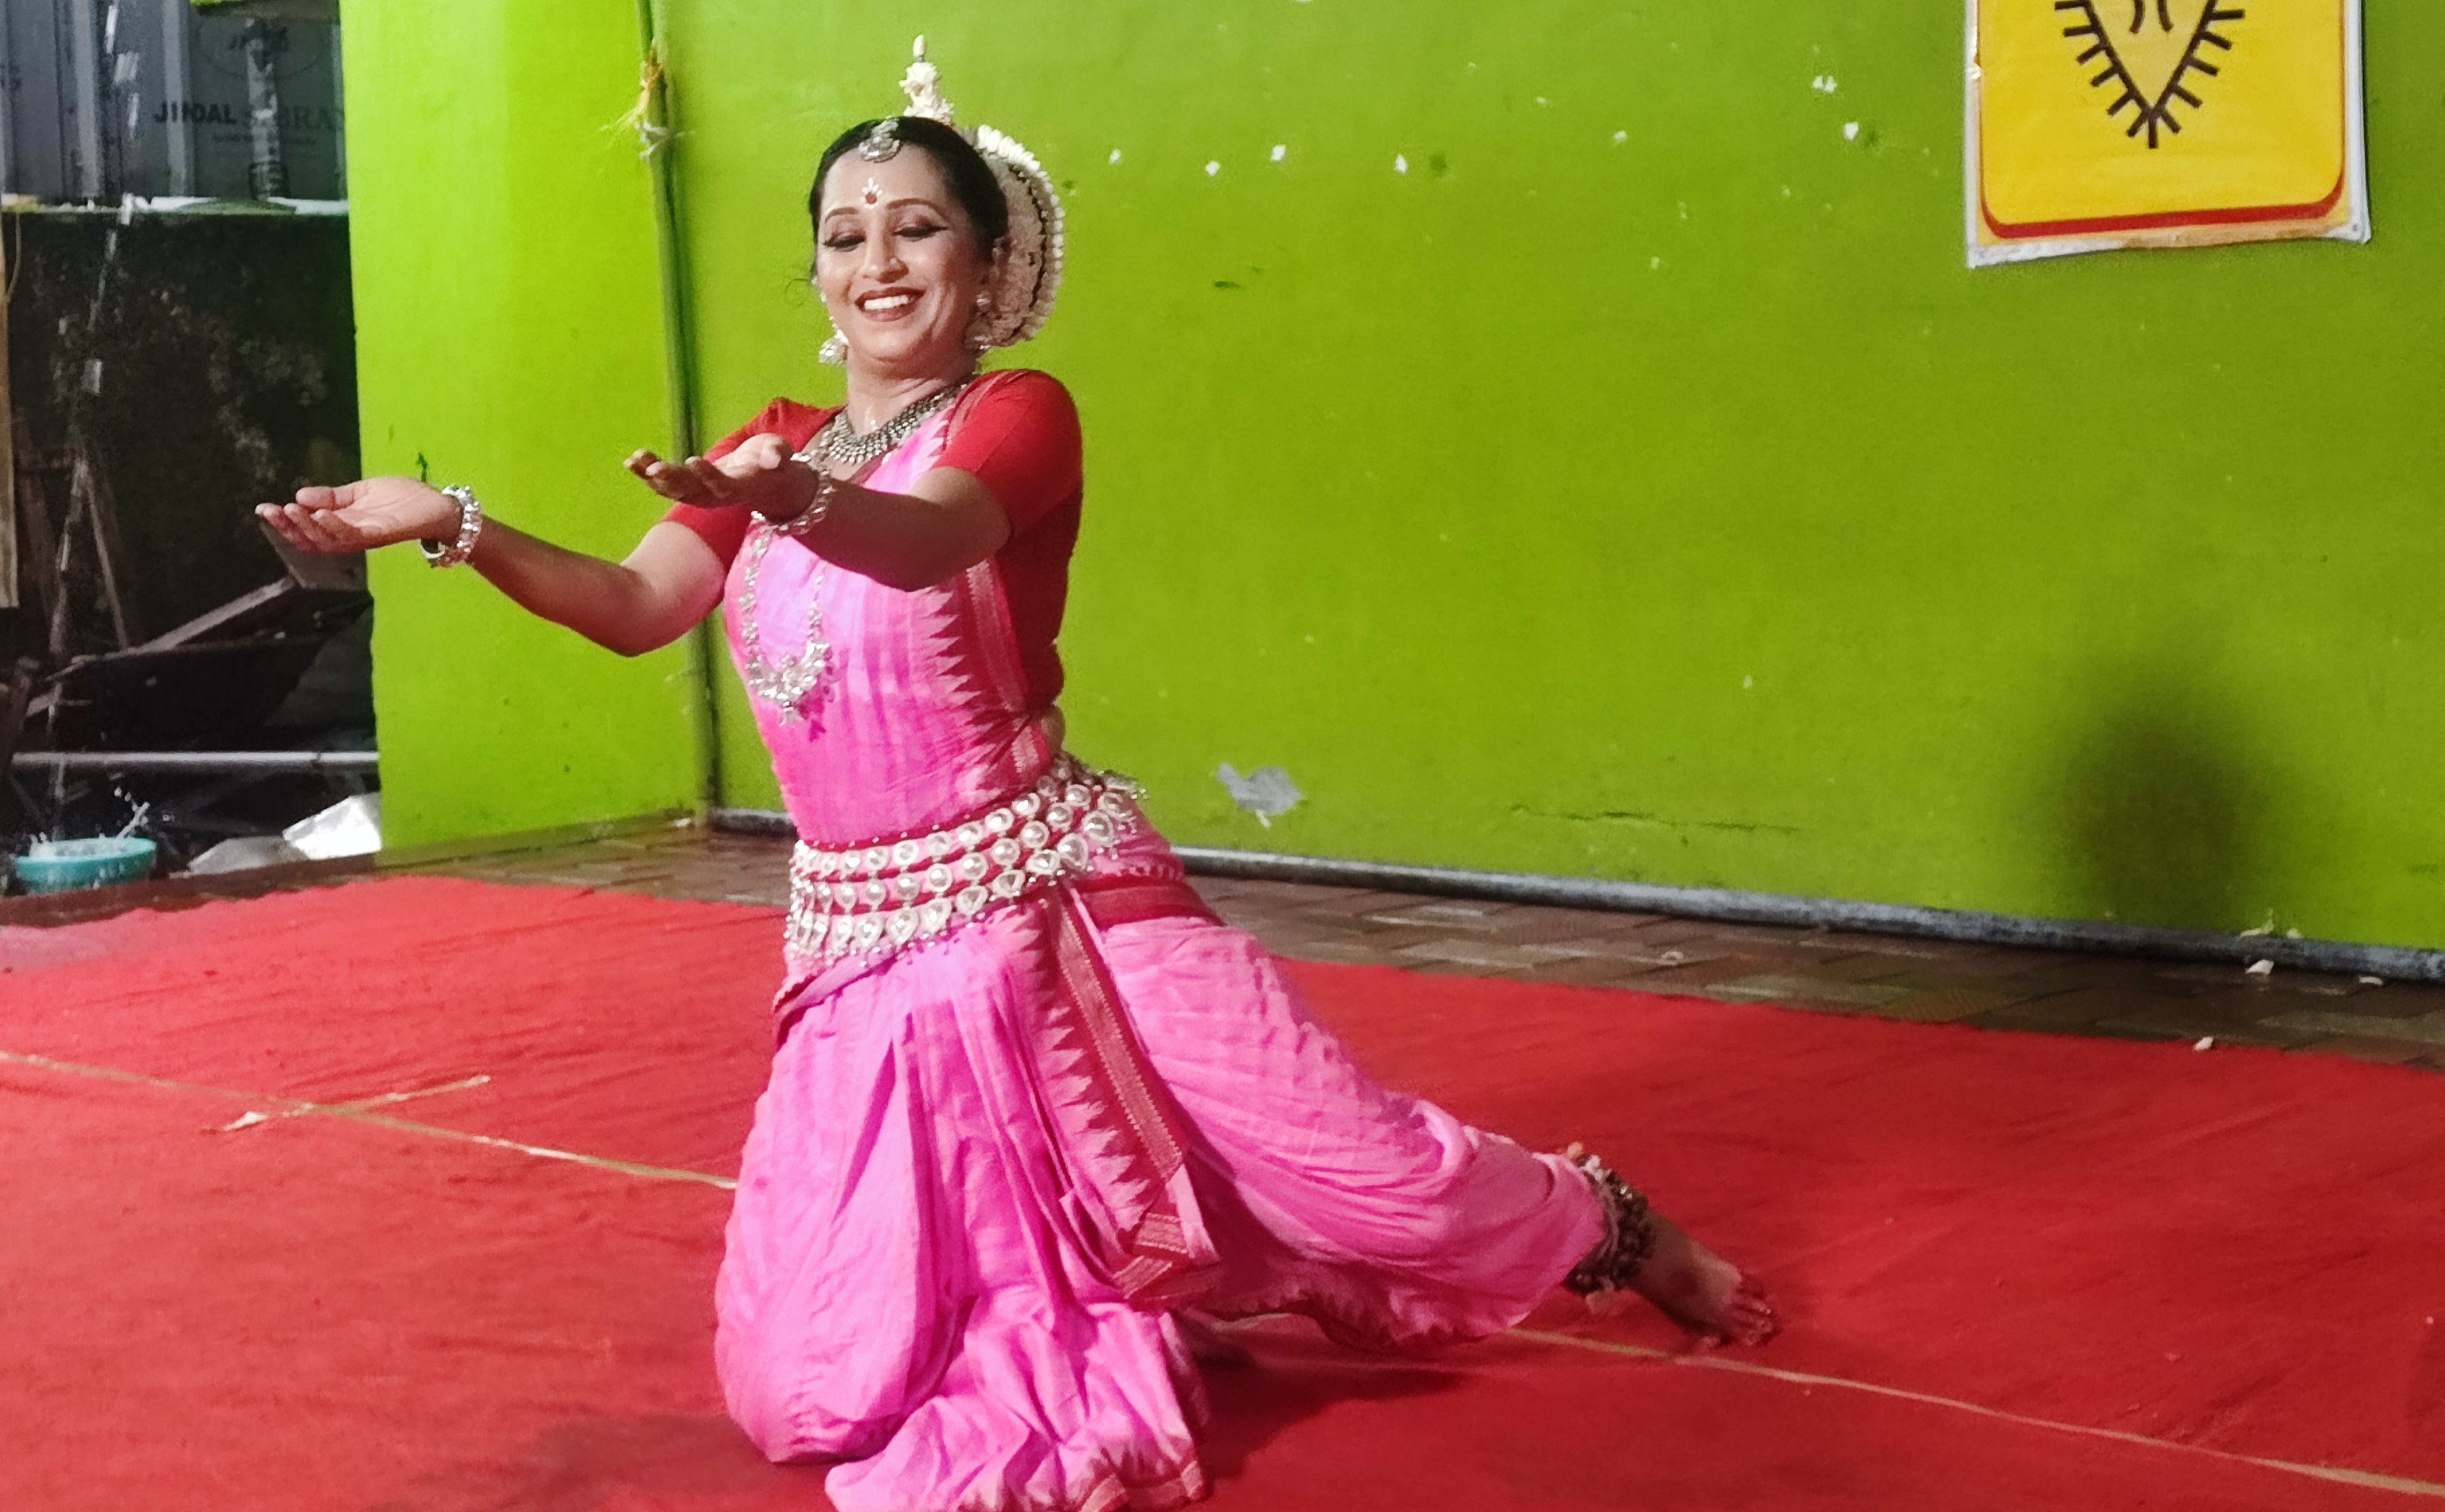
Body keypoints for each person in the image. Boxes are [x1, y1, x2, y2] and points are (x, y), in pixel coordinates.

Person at [261, 42, 1774, 1512]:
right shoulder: (767, 444)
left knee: (1374, 1174)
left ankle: (1610, 1224)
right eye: (844, 236)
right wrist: (451, 524)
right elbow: (635, 604)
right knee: (799, 1390)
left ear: (989, 267)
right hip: (862, 947)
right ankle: (1149, 1271)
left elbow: (928, 542)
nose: (877, 261)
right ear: (816, 274)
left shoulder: (1014, 414)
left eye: (917, 228)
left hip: (1055, 899)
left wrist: (796, 499)